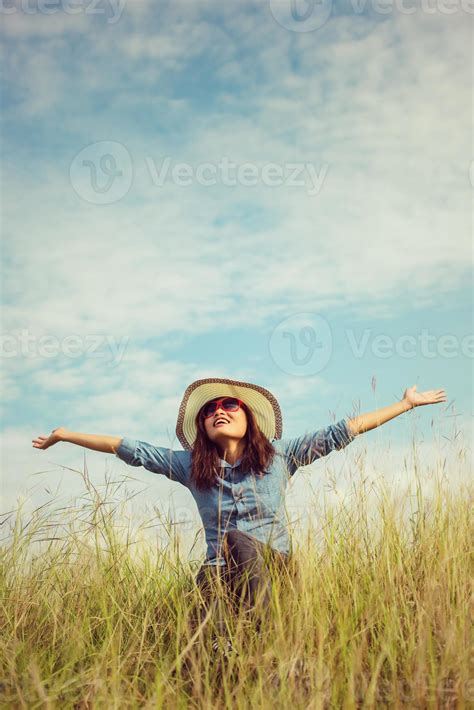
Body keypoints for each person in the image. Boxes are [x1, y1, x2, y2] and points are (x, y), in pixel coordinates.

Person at [32, 377, 446, 657]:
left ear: (249, 418)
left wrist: (406, 405)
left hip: (275, 571)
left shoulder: (281, 458)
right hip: (220, 578)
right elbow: (130, 448)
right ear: (203, 425)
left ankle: (268, 642)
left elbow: (347, 429)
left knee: (238, 541)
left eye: (230, 404)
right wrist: (65, 434)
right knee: (199, 621)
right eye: (210, 409)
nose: (219, 410)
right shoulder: (190, 469)